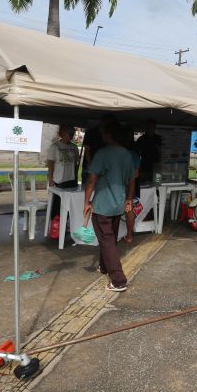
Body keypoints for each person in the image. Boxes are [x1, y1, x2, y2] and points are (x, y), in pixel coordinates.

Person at [83, 123, 136, 292]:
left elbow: (91, 180)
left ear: (108, 135)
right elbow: (132, 179)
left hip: (102, 205)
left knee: (107, 241)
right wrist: (128, 198)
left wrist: (86, 201)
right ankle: (104, 267)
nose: (102, 136)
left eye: (103, 133)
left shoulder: (103, 153)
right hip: (117, 204)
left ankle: (118, 280)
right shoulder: (127, 155)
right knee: (109, 239)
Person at [46, 125, 79, 217]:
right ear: (62, 133)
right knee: (57, 206)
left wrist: (75, 177)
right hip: (58, 181)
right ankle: (55, 226)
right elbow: (51, 165)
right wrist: (51, 180)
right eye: (70, 133)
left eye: (73, 133)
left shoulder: (74, 147)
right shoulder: (54, 147)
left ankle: (66, 225)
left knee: (69, 206)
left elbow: (76, 164)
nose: (71, 135)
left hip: (71, 181)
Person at [120, 126, 141, 245]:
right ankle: (128, 236)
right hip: (131, 185)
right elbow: (137, 172)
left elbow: (136, 173)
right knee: (130, 209)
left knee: (128, 210)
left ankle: (128, 236)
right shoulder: (134, 152)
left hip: (126, 185)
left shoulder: (125, 152)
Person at [81, 114, 112, 185]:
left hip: (103, 169)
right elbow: (87, 150)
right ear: (103, 122)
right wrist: (90, 165)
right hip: (90, 167)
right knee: (87, 188)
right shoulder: (90, 133)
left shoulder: (108, 135)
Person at [133, 119, 161, 184]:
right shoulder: (141, 139)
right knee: (145, 185)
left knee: (157, 184)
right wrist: (139, 168)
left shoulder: (158, 138)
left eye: (153, 126)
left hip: (156, 167)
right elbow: (137, 154)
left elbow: (161, 152)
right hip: (144, 166)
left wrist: (160, 165)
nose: (151, 128)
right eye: (149, 126)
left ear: (155, 127)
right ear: (146, 127)